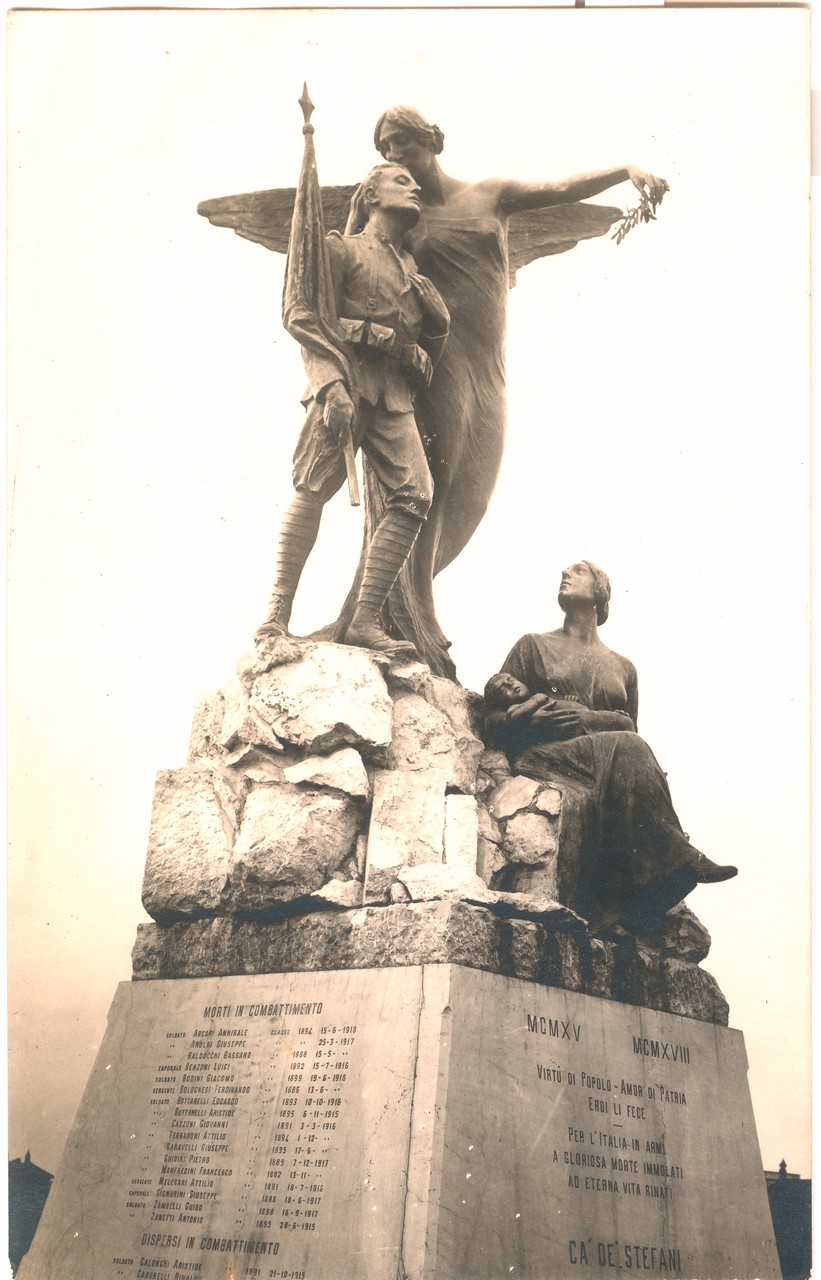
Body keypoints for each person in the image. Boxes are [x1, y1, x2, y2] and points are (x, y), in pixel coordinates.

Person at [338, 107, 669, 676]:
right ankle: (409, 619)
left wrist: (626, 169)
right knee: (427, 489)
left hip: (487, 365)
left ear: (432, 142)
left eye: (403, 144)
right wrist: (351, 211)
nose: (395, 157)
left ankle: (402, 608)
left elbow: (561, 188)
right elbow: (347, 268)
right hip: (435, 364)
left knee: (473, 489)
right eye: (386, 150)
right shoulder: (403, 218)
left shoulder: (491, 195)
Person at [255, 162, 450, 655]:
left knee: (415, 495)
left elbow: (423, 356)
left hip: (392, 395)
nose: (417, 188)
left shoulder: (412, 271)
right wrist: (329, 385)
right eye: (402, 182)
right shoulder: (340, 249)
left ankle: (364, 620)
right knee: (313, 486)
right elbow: (307, 318)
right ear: (370, 195)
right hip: (346, 381)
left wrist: (439, 325)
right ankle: (276, 616)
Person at [491, 560, 737, 934]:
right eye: (565, 571)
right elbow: (491, 716)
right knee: (626, 745)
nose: (565, 573)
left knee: (628, 745)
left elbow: (630, 729)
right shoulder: (534, 645)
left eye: (579, 571)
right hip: (547, 756)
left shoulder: (624, 667)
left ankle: (625, 902)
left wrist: (591, 721)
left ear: (600, 593)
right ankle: (681, 859)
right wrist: (525, 719)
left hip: (604, 757)